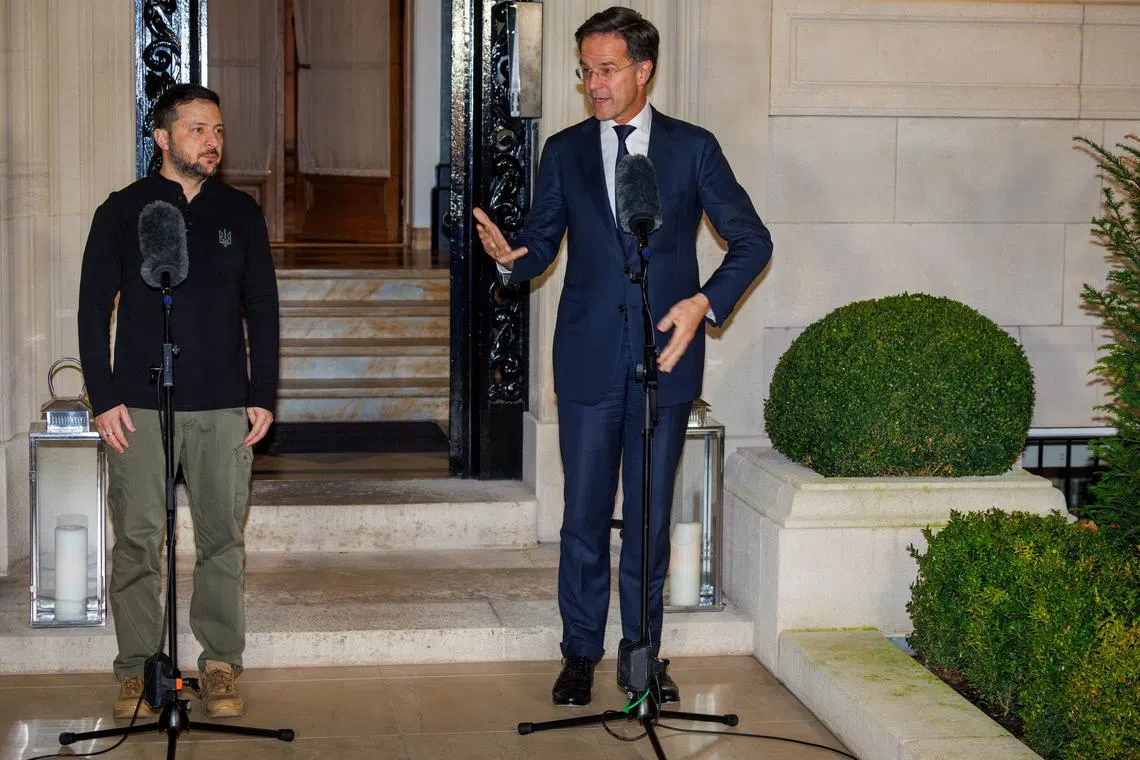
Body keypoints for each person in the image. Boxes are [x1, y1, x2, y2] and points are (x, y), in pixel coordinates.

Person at [473, 7, 772, 707]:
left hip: (662, 364)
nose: (593, 86)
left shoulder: (693, 149)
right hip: (584, 361)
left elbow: (752, 240)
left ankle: (642, 654)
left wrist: (703, 303)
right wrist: (513, 259)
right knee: (582, 517)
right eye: (585, 72)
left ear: (644, 69)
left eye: (606, 70)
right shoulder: (566, 150)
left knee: (647, 520)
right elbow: (541, 242)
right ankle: (579, 652)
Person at [78, 83, 279, 720]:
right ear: (161, 137)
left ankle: (219, 663)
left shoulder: (241, 213)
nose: (212, 141)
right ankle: (137, 667)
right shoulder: (121, 211)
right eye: (196, 129)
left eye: (217, 129)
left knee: (222, 538)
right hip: (137, 402)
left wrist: (263, 393)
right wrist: (103, 396)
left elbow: (263, 308)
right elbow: (91, 308)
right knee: (137, 540)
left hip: (222, 403)